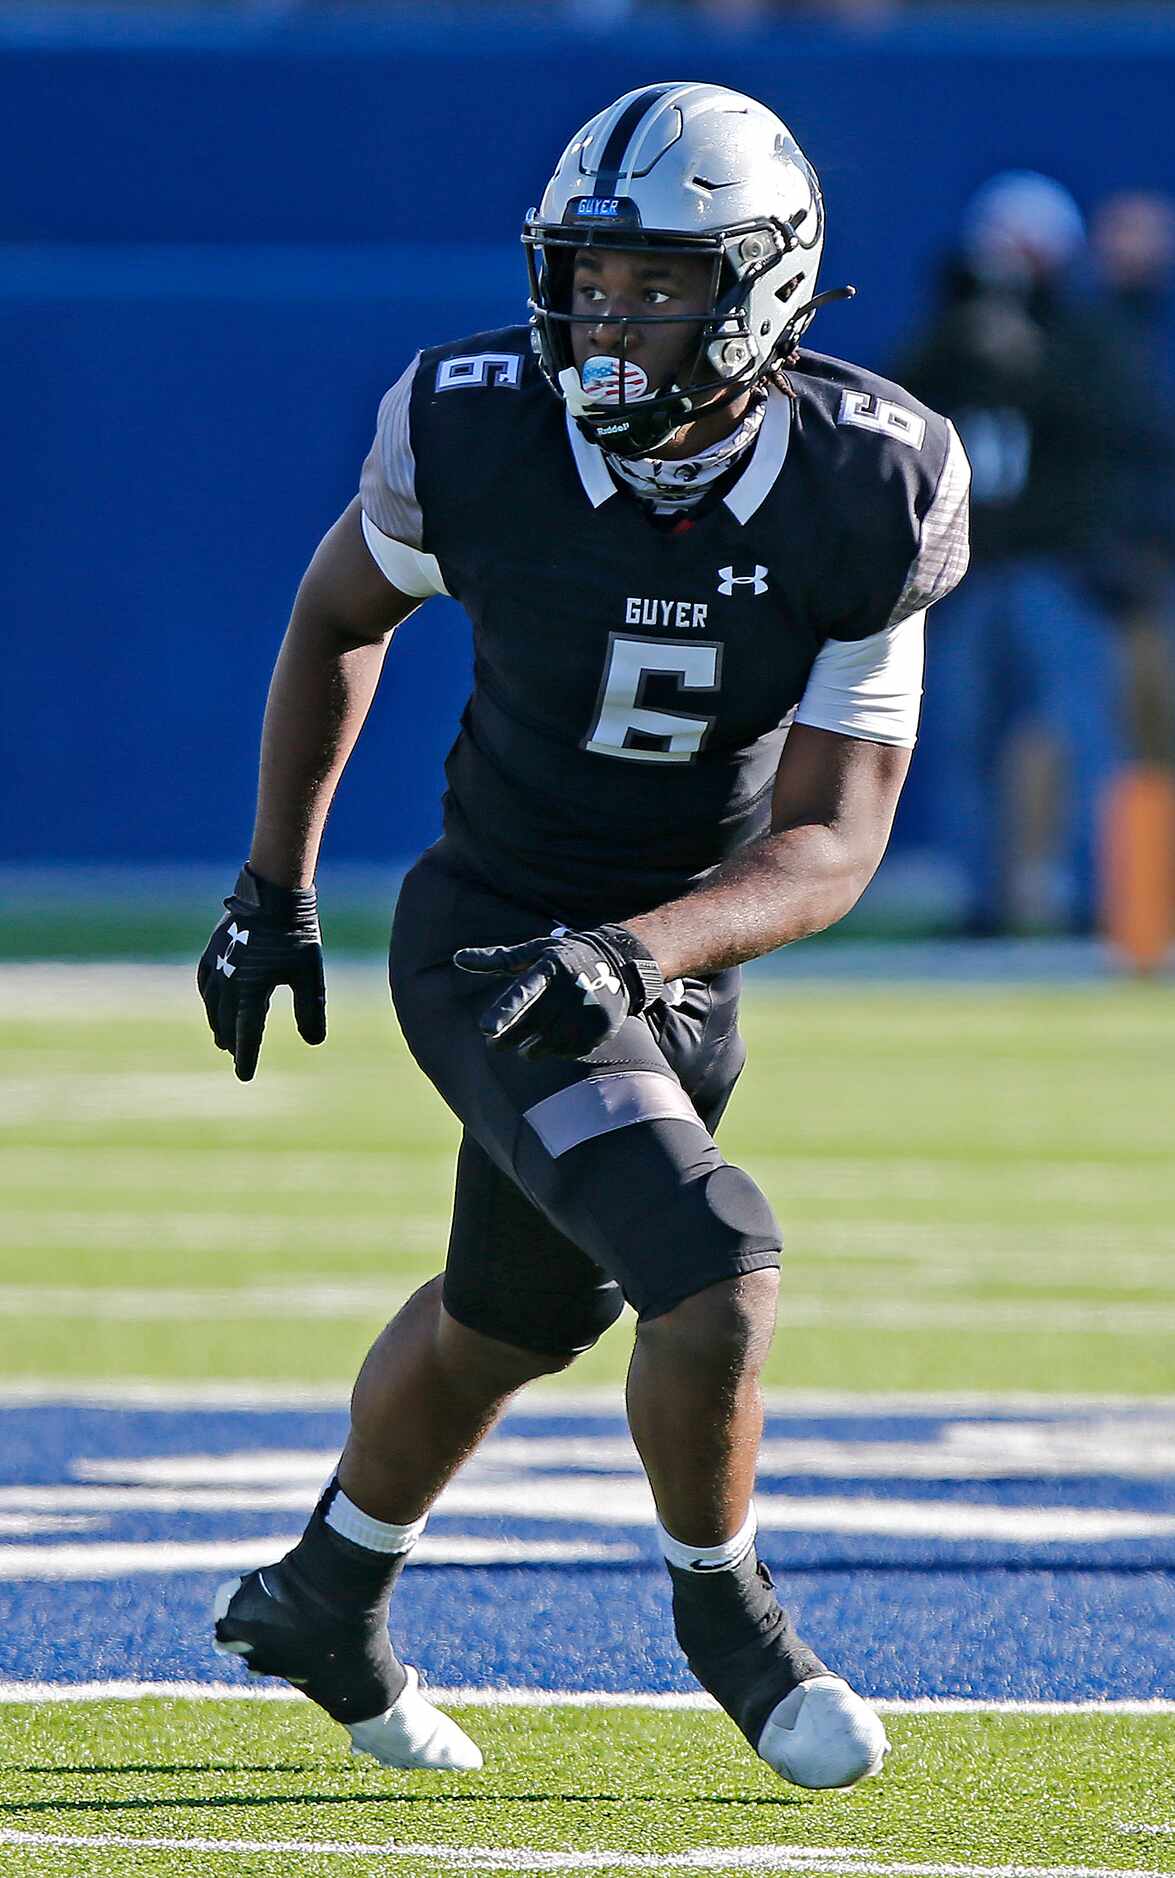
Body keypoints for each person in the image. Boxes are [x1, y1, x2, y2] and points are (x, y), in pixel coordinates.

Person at [198, 82, 969, 1790]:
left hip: (667, 961)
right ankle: (726, 1615)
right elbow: (340, 610)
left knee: (509, 1318)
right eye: (591, 281)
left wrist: (648, 953)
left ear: (764, 287)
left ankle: (327, 1587)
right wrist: (274, 883)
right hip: (493, 935)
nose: (610, 322)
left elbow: (835, 838)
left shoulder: (871, 481)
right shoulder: (477, 424)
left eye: (661, 285)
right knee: (716, 1264)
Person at [896, 172, 1136, 933]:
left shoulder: (1086, 335)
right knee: (964, 735)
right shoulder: (953, 327)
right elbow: (902, 407)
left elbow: (1111, 425)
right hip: (966, 567)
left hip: (1056, 562)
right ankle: (982, 900)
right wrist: (965, 323)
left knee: (1078, 730)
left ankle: (1092, 897)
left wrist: (1031, 354)